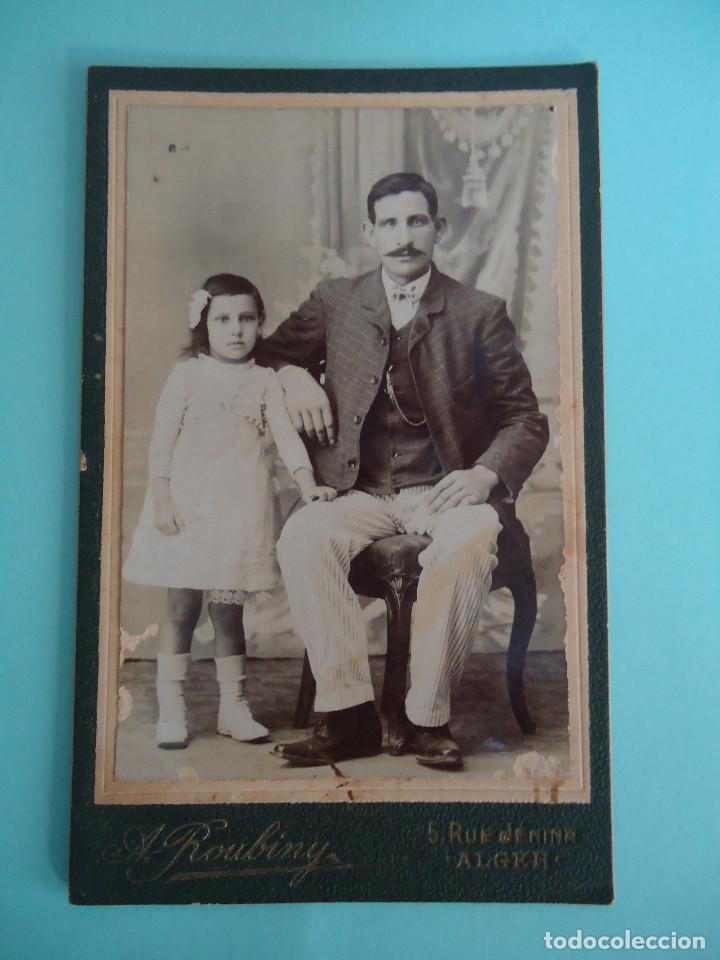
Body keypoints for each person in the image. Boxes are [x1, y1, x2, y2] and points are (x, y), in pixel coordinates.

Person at [257, 172, 549, 770]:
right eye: (389, 223)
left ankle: (426, 718)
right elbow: (268, 355)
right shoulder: (336, 300)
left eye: (416, 221)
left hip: (442, 489)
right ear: (370, 232)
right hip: (357, 488)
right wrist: (290, 376)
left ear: (438, 228)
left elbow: (526, 419)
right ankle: (348, 716)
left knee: (470, 539)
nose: (403, 236)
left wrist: (484, 476)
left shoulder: (477, 312)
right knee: (303, 538)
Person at [123, 273, 335, 749]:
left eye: (246, 319)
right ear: (204, 324)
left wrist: (308, 483)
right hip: (187, 508)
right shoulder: (188, 376)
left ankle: (233, 709)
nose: (235, 330)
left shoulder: (265, 381)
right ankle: (171, 711)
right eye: (223, 319)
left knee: (228, 612)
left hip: (240, 508)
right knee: (181, 606)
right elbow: (162, 440)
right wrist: (160, 496)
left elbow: (286, 437)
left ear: (260, 325)